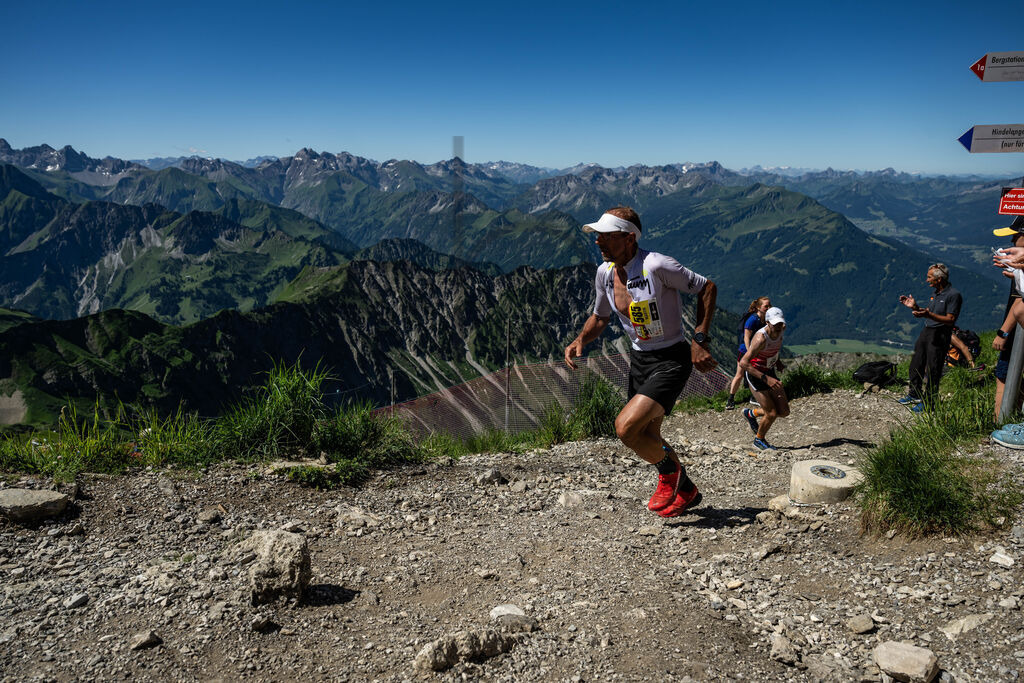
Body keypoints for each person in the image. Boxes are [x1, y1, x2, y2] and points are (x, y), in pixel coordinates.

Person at [564, 206, 717, 517]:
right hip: (640, 360)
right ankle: (686, 491)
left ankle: (668, 475)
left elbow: (707, 287)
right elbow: (600, 317)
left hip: (671, 359)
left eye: (606, 236)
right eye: (598, 236)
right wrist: (581, 339)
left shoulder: (657, 265)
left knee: (626, 429)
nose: (598, 242)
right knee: (648, 435)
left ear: (629, 238)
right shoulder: (604, 273)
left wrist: (699, 339)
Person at [897, 263, 962, 412]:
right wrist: (914, 306)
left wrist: (928, 314)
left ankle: (929, 402)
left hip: (940, 334)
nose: (927, 280)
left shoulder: (953, 295)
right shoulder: (936, 293)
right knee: (916, 363)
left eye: (929, 277)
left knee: (933, 368)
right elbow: (929, 313)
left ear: (939, 279)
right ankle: (914, 394)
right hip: (927, 330)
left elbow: (950, 319)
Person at [738, 307, 789, 450]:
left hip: (769, 371)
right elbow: (743, 362)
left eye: (780, 323)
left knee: (784, 411)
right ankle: (758, 440)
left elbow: (775, 348)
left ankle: (751, 413)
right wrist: (767, 379)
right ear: (767, 322)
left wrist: (777, 362)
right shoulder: (760, 338)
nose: (778, 326)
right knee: (772, 413)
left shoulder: (781, 330)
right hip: (755, 374)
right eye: (775, 324)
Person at [726, 297, 771, 410]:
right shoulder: (752, 320)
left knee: (756, 373)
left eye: (769, 305)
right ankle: (730, 399)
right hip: (745, 351)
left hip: (756, 351)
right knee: (740, 374)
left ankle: (754, 396)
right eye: (766, 306)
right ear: (758, 307)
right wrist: (750, 352)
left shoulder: (765, 319)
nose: (769, 308)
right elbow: (746, 337)